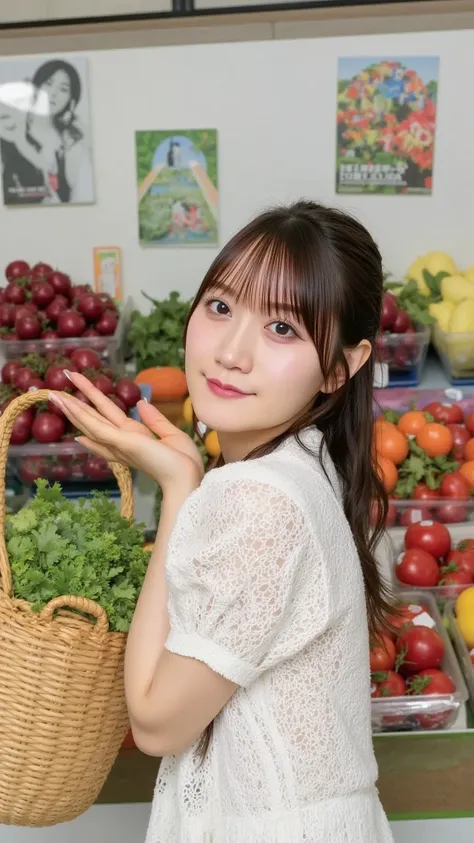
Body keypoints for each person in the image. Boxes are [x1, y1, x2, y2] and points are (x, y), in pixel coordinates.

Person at [50, 200, 395, 843]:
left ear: (340, 369)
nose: (233, 352)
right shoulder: (305, 464)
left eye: (284, 329)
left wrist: (180, 488)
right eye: (220, 307)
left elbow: (155, 723)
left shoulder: (259, 502)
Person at [0, 59, 93, 204]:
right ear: (36, 86)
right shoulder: (11, 126)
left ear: (71, 101)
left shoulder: (71, 142)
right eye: (48, 84)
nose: (53, 93)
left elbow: (80, 195)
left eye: (63, 89)